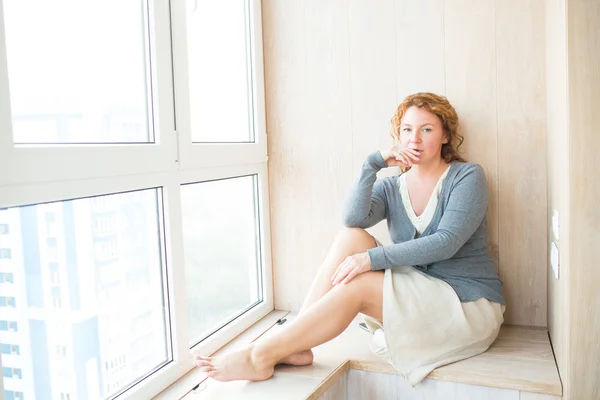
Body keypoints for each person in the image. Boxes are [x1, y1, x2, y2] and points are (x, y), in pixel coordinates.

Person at [194, 92, 505, 385]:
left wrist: (370, 260)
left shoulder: (467, 177)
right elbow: (353, 219)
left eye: (427, 129)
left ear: (445, 136)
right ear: (398, 136)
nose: (415, 138)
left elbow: (446, 242)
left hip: (466, 302)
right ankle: (294, 344)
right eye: (407, 129)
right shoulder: (392, 186)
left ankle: (259, 354)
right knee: (351, 237)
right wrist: (372, 164)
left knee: (358, 282)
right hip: (420, 290)